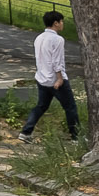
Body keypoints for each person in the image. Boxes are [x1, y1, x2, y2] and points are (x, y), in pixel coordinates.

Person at [21, 10, 78, 141]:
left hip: (41, 78)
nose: (63, 24)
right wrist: (59, 78)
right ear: (56, 23)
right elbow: (56, 61)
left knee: (41, 106)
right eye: (61, 21)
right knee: (70, 107)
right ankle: (76, 136)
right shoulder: (57, 39)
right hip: (55, 79)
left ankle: (26, 132)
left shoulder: (39, 38)